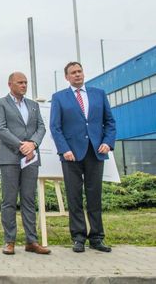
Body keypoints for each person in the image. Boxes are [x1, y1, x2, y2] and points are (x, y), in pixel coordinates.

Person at [50, 62, 116, 253]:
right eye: (73, 72)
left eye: (79, 71)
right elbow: (55, 126)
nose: (77, 75)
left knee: (94, 196)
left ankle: (96, 237)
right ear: (67, 77)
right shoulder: (59, 97)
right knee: (74, 196)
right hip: (71, 154)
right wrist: (64, 149)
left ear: (83, 73)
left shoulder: (99, 94)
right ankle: (78, 237)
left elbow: (110, 122)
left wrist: (108, 142)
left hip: (95, 152)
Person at [0, 72, 50, 255]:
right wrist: (21, 145)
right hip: (9, 157)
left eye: (25, 82)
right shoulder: (0, 103)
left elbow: (41, 127)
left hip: (31, 158)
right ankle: (9, 241)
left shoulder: (33, 105)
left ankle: (31, 241)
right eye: (20, 82)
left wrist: (33, 144)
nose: (24, 85)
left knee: (29, 200)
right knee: (9, 200)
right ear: (10, 84)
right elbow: (0, 128)